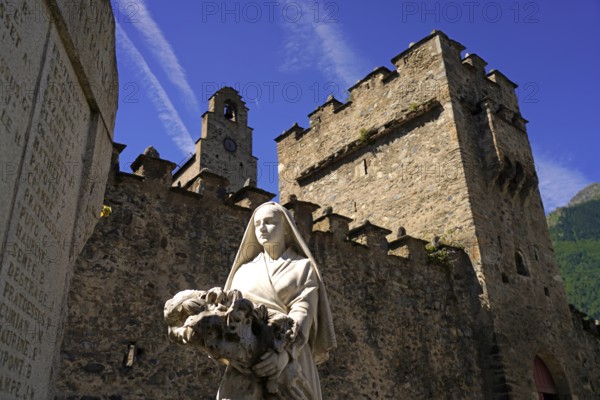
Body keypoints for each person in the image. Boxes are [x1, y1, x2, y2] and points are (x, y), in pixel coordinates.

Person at [219, 202, 336, 400]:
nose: (262, 228)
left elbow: (303, 313)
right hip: (247, 360)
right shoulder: (243, 271)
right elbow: (229, 315)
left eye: (269, 222)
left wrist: (284, 354)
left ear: (285, 229)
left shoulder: (302, 267)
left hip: (291, 354)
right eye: (257, 224)